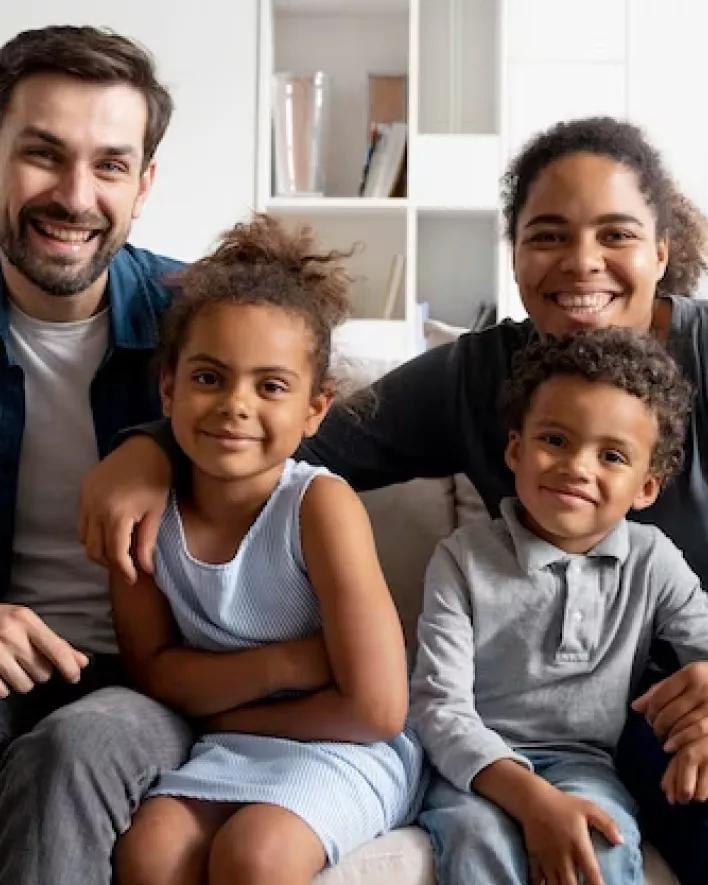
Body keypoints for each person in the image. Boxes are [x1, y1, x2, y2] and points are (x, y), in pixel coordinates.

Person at [82, 115, 708, 881]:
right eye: (547, 235)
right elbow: (287, 437)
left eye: (615, 235)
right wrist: (146, 448)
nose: (582, 263)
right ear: (513, 252)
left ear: (662, 250)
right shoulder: (476, 377)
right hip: (568, 723)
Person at [108, 214, 424, 885]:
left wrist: (216, 702)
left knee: (255, 854)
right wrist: (289, 661)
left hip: (345, 745)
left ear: (315, 409)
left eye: (271, 385)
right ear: (167, 387)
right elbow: (153, 672)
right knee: (149, 852)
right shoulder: (139, 508)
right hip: (232, 740)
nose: (236, 405)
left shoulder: (318, 505)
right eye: (209, 378)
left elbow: (376, 708)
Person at [0, 25, 195, 885]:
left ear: (143, 185)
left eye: (110, 165)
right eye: (43, 155)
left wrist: (157, 439)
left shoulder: (200, 321)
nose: (75, 196)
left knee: (72, 753)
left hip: (150, 681)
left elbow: (314, 433)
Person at [410, 327, 708, 885]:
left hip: (586, 765)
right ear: (516, 450)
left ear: (646, 487)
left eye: (612, 455)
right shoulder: (463, 558)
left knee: (606, 843)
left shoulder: (652, 559)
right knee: (479, 841)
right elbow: (438, 705)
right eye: (555, 441)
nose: (578, 467)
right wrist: (528, 797)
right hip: (476, 768)